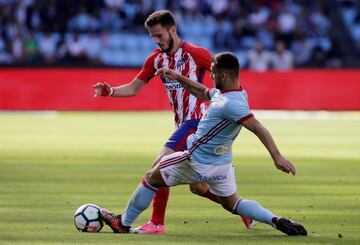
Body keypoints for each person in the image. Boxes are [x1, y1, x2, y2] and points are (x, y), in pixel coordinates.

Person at [99, 52, 308, 236]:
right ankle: (275, 220)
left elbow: (258, 128)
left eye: (214, 74)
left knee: (151, 178)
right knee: (233, 203)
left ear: (223, 76)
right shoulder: (233, 93)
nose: (212, 77)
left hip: (196, 160)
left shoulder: (230, 104)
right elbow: (202, 92)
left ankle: (123, 223)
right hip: (222, 165)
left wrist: (277, 157)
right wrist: (179, 77)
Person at [93, 10, 253, 234]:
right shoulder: (156, 59)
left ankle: (156, 223)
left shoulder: (196, 54)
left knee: (159, 165)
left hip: (197, 120)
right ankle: (241, 209)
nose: (157, 41)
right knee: (198, 187)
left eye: (159, 35)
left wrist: (233, 100)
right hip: (182, 125)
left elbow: (226, 75)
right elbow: (134, 87)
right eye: (152, 37)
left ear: (173, 30)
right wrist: (110, 91)